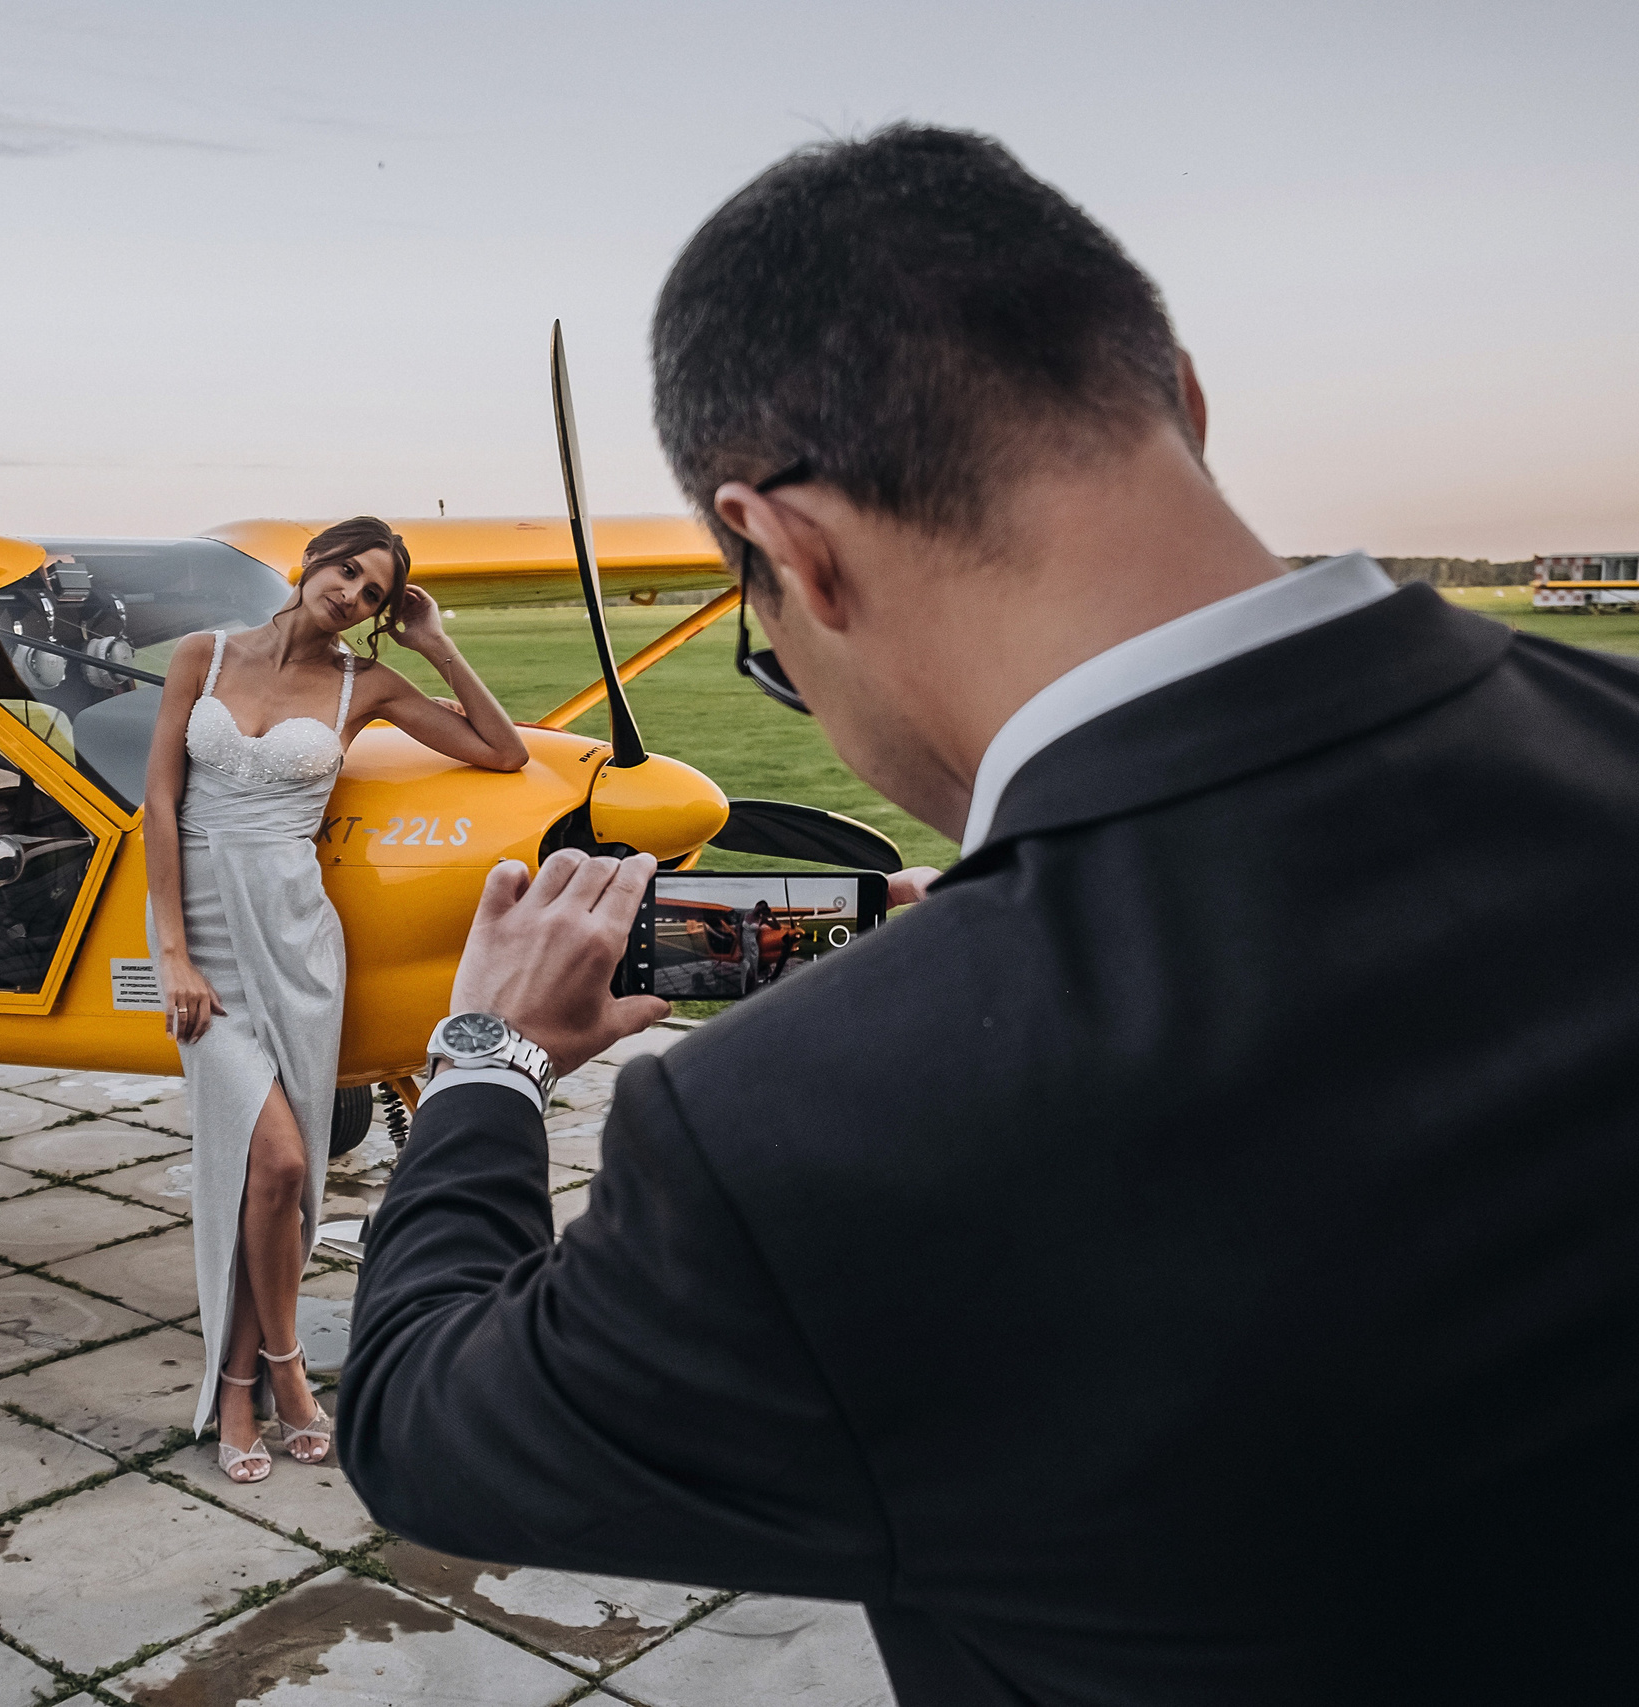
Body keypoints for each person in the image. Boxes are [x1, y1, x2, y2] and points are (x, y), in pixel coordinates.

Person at [339, 125, 1639, 1704]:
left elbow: (421, 1425)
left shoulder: (795, 1133)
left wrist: (483, 1052)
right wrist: (990, 948)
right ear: (1184, 395)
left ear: (790, 550)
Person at [143, 516, 526, 1485]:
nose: (350, 594)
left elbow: (502, 754)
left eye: (372, 593)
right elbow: (159, 804)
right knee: (265, 1155)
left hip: (298, 939)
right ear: (312, 562)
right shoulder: (204, 654)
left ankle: (244, 1385)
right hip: (207, 942)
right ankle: (283, 1374)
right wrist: (174, 959)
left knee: (282, 1173)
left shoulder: (371, 684)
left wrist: (433, 642)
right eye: (345, 571)